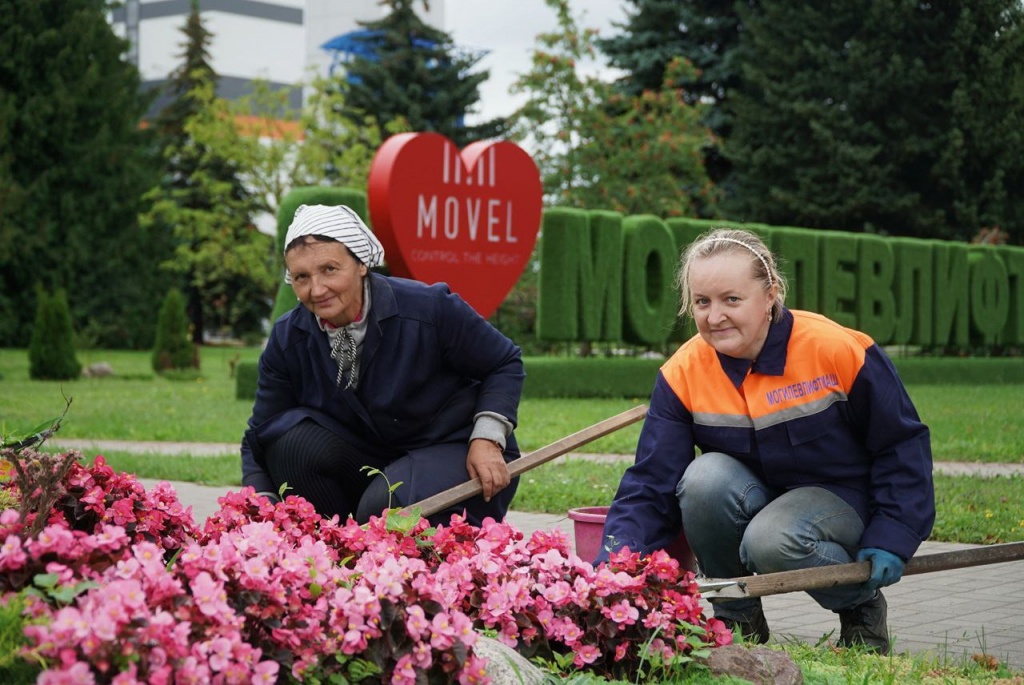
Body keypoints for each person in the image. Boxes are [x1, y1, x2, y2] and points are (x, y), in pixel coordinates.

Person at [597, 228, 934, 654]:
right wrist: (614, 564)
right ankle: (737, 614)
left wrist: (894, 533)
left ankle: (860, 605)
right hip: (756, 496)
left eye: (731, 300)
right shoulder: (682, 372)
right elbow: (651, 482)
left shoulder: (836, 349)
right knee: (702, 479)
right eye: (702, 302)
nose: (714, 316)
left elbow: (901, 444)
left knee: (770, 539)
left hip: (845, 498)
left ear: (770, 294)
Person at [240, 203, 525, 527]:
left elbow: (504, 362)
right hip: (373, 456)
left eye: (329, 269)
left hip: (458, 450)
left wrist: (487, 439)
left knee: (383, 511)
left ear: (361, 265)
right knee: (289, 445)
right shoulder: (288, 337)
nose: (316, 290)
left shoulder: (428, 308)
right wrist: (259, 502)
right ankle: (327, 547)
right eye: (302, 277)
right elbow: (262, 431)